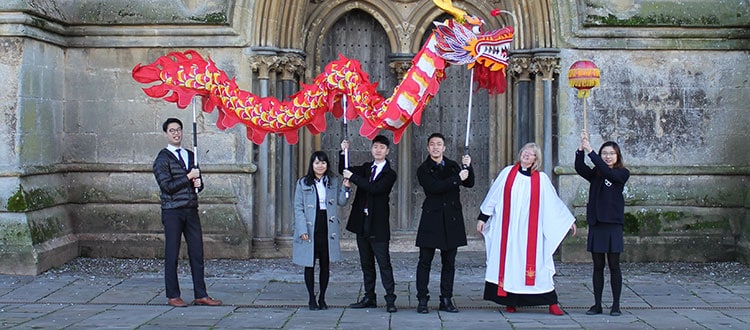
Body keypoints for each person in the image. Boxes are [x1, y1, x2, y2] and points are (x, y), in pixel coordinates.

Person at [476, 142, 575, 315]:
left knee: (539, 267)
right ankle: (510, 302)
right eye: (525, 152)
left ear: (536, 159)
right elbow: (494, 196)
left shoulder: (542, 179)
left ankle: (552, 303)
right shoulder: (507, 173)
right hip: (508, 230)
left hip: (531, 233)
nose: (527, 155)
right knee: (508, 265)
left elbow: (553, 204)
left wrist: (567, 221)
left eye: (531, 153)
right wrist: (483, 217)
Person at [152, 118, 221, 307]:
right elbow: (167, 187)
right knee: (172, 253)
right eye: (172, 130)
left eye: (179, 130)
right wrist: (188, 177)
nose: (176, 133)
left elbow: (198, 182)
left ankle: (201, 294)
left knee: (197, 252)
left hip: (191, 209)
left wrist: (199, 183)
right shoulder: (162, 159)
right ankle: (173, 295)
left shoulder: (191, 155)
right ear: (166, 133)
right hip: (172, 211)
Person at [414, 133, 474, 314]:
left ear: (444, 147)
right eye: (432, 144)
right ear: (427, 148)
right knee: (425, 261)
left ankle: (446, 299)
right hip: (432, 219)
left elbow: (469, 183)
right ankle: (422, 299)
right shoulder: (423, 169)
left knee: (449, 263)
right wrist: (457, 178)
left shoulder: (453, 165)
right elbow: (434, 188)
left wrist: (468, 168)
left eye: (439, 144)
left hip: (451, 220)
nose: (435, 147)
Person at [339, 135, 398, 313]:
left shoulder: (390, 174)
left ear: (387, 151)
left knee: (384, 263)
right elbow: (344, 169)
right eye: (375, 147)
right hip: (362, 221)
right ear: (371, 149)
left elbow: (375, 189)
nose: (378, 150)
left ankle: (390, 299)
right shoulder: (366, 168)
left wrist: (354, 178)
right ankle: (369, 297)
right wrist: (344, 151)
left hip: (378, 224)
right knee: (366, 263)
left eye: (382, 147)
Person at [575, 131, 630, 316]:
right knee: (597, 266)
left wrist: (592, 152)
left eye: (611, 153)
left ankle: (616, 305)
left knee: (614, 266)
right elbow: (580, 168)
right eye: (604, 153)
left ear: (617, 156)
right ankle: (597, 304)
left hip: (612, 225)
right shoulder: (597, 173)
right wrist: (581, 149)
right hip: (597, 224)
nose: (607, 156)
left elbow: (608, 172)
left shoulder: (622, 173)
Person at [292, 151, 350, 310]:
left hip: (327, 224)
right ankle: (311, 297)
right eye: (317, 163)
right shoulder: (303, 183)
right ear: (312, 165)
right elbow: (298, 208)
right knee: (308, 263)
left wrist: (346, 188)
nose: (320, 165)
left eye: (323, 163)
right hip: (311, 224)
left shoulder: (332, 181)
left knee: (325, 263)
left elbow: (341, 201)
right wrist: (302, 229)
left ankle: (323, 297)